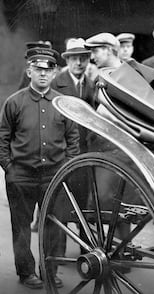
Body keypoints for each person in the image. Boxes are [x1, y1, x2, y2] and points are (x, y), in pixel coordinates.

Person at [0, 47, 80, 289]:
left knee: (55, 227)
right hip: (21, 176)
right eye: (38, 70)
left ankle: (50, 270)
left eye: (48, 70)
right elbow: (2, 137)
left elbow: (73, 139)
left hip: (54, 177)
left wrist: (65, 168)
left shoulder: (63, 103)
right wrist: (9, 168)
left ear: (55, 73)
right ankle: (26, 273)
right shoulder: (14, 102)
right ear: (29, 71)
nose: (43, 75)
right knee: (22, 228)